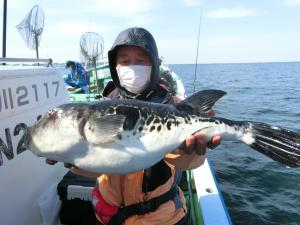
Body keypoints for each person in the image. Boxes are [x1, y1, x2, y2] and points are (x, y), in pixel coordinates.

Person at [48, 27, 221, 225]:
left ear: (154, 64)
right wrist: (73, 159)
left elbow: (182, 163)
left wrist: (190, 150)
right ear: (115, 66)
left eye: (141, 61)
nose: (132, 67)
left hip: (160, 218)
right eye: (124, 61)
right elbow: (99, 167)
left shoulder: (169, 104)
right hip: (108, 214)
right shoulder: (103, 105)